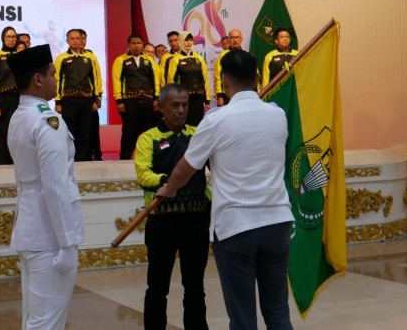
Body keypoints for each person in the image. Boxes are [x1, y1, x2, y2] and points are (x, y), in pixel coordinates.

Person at [160, 50, 295, 330]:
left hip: (237, 228)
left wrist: (169, 189)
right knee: (277, 311)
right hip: (277, 223)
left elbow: (185, 168)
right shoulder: (278, 115)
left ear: (223, 82)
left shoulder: (215, 120)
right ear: (257, 78)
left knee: (242, 317)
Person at [6, 44, 84, 330]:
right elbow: (55, 185)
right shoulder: (47, 121)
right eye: (52, 74)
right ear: (38, 79)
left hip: (31, 228)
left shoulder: (20, 115)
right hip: (49, 236)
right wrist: (67, 242)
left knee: (35, 319)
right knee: (47, 322)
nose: (56, 79)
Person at [134, 83, 210, 330]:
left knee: (195, 286)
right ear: (160, 107)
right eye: (175, 105)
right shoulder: (148, 138)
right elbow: (143, 174)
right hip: (162, 221)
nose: (181, 110)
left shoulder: (198, 135)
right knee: (157, 286)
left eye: (185, 105)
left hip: (196, 219)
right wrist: (170, 181)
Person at [54, 29, 102, 162]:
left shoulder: (90, 58)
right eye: (72, 38)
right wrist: (58, 102)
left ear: (82, 40)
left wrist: (96, 99)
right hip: (68, 101)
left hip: (87, 100)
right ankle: (70, 159)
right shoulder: (61, 58)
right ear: (67, 41)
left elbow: (96, 79)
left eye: (78, 38)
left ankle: (83, 159)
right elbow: (57, 80)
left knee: (85, 132)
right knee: (69, 131)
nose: (75, 41)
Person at [112, 34, 159, 160]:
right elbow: (117, 81)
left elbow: (155, 81)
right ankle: (125, 157)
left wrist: (156, 99)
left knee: (147, 131)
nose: (136, 45)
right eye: (133, 43)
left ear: (142, 45)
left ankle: (147, 157)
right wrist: (119, 101)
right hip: (129, 102)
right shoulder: (120, 60)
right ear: (128, 45)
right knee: (129, 131)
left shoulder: (149, 61)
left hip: (147, 101)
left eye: (139, 43)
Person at [0, 26, 20, 165]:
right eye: (8, 37)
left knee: (19, 131)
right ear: (3, 38)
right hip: (2, 100)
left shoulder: (21, 56)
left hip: (19, 99)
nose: (11, 40)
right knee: (2, 131)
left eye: (13, 37)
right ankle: (1, 162)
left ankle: (18, 161)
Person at [165, 32, 210, 126]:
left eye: (191, 40)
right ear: (181, 41)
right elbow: (171, 81)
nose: (189, 42)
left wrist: (207, 101)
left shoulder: (199, 58)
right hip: (183, 98)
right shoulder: (175, 59)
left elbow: (205, 80)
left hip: (198, 98)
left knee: (198, 124)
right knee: (183, 123)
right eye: (186, 40)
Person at [79, 29, 103, 161]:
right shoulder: (65, 57)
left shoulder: (91, 56)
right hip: (75, 101)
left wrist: (98, 97)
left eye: (84, 38)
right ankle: (83, 156)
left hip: (91, 100)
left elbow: (97, 78)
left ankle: (97, 155)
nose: (81, 41)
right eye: (79, 38)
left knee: (93, 130)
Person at [214, 29, 243, 107]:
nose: (235, 40)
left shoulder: (247, 55)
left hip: (243, 94)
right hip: (227, 94)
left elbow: (253, 75)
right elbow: (218, 76)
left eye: (237, 37)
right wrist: (219, 96)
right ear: (229, 40)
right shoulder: (223, 56)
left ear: (241, 39)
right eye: (232, 38)